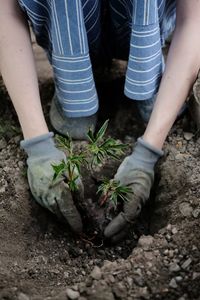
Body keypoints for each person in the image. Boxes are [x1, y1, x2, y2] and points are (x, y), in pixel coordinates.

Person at [0, 0, 199, 240]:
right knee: (75, 124)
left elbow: (194, 17)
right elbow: (5, 10)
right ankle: (73, 82)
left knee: (153, 108)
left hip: (138, 22)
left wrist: (149, 152)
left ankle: (148, 74)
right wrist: (38, 146)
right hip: (67, 26)